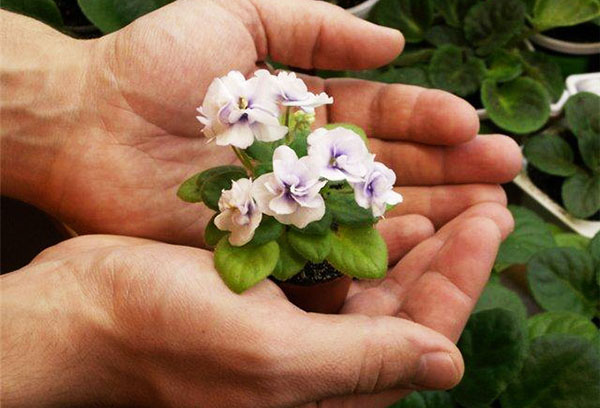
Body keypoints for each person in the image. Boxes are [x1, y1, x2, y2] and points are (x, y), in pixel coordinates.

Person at [0, 0, 522, 406]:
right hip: (271, 200)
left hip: (298, 195)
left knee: (308, 234)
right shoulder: (261, 153)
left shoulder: (304, 154)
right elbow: (276, 197)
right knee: (282, 226)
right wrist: (91, 326)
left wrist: (79, 92)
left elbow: (313, 202)